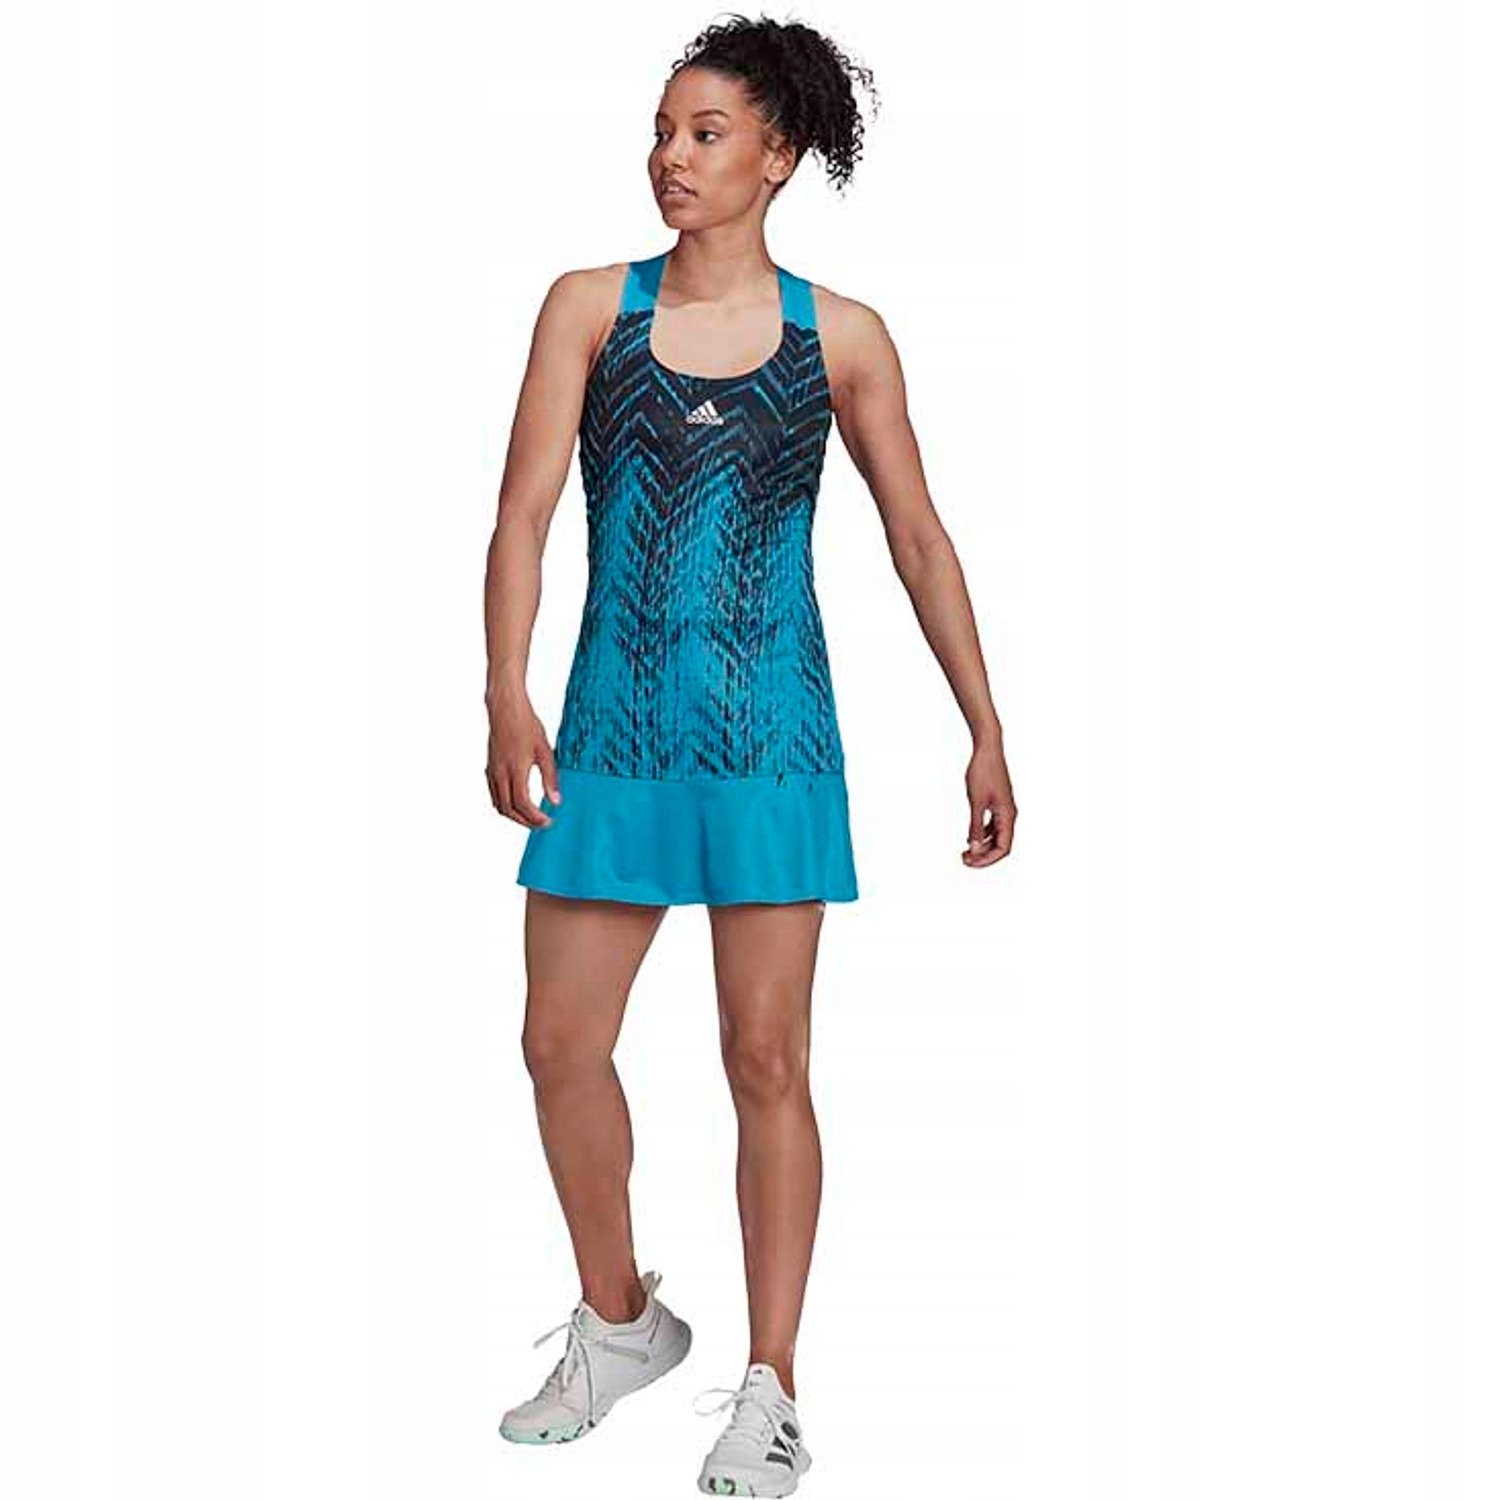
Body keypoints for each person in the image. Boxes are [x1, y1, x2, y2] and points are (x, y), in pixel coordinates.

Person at [482, 15, 1016, 1495]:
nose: (672, 156)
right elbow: (523, 513)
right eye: (663, 131)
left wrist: (983, 723)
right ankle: (620, 1321)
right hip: (613, 726)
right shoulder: (588, 309)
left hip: (773, 734)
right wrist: (504, 692)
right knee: (557, 1043)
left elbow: (919, 540)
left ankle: (771, 1386)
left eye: (706, 134)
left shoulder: (842, 336)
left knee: (766, 1058)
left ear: (778, 156)